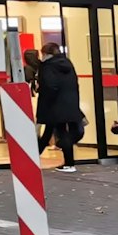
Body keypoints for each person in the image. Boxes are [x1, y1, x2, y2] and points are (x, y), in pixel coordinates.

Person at [37, 42, 85, 172]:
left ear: (47, 54)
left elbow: (50, 86)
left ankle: (69, 163)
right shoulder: (67, 64)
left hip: (55, 105)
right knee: (49, 132)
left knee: (62, 133)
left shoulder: (48, 67)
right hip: (69, 103)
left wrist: (43, 96)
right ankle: (33, 158)